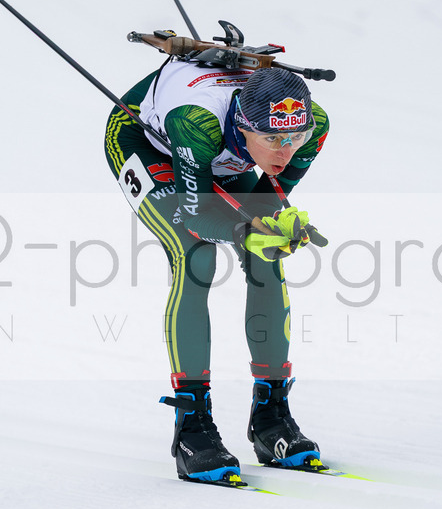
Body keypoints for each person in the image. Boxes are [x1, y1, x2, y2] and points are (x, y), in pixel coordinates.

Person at [103, 58, 330, 484]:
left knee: (267, 253)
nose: (286, 151)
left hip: (218, 154)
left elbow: (264, 209)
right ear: (243, 127)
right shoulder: (197, 120)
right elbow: (196, 216)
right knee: (195, 255)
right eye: (273, 138)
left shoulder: (314, 123)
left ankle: (270, 418)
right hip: (148, 142)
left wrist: (277, 229)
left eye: (295, 137)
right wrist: (246, 230)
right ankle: (191, 427)